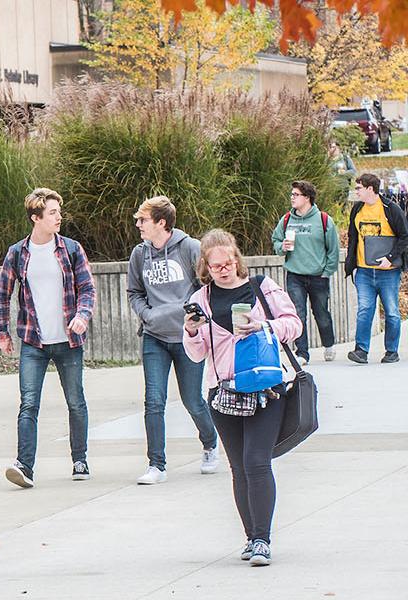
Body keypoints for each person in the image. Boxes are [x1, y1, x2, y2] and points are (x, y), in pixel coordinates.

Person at [182, 229, 302, 567]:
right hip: (223, 392)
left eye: (229, 261)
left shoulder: (262, 288)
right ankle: (251, 537)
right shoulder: (202, 299)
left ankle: (263, 539)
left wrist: (264, 327)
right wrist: (190, 330)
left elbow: (294, 324)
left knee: (257, 461)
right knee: (238, 467)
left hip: (266, 388)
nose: (225, 269)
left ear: (237, 257)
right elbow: (195, 354)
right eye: (217, 265)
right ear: (206, 266)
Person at [0, 188, 96, 489]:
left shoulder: (71, 249)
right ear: (35, 217)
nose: (58, 216)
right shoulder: (17, 253)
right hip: (33, 341)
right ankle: (25, 466)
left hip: (68, 341)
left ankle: (80, 458)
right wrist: (2, 332)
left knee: (76, 402)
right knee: (28, 404)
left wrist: (82, 315)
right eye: (52, 212)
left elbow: (87, 289)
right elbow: (2, 295)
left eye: (58, 211)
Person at [126, 195, 219, 485]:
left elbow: (209, 284)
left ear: (161, 222)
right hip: (154, 337)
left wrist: (195, 317)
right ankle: (157, 464)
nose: (138, 225)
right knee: (153, 400)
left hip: (186, 338)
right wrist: (148, 316)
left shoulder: (190, 248)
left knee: (192, 399)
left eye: (143, 220)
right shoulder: (139, 254)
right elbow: (134, 292)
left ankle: (210, 443)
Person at [270, 180, 342, 364]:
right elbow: (276, 240)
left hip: (318, 276)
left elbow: (333, 249)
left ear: (307, 198)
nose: (292, 198)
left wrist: (327, 271)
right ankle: (302, 353)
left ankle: (328, 344)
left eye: (296, 195)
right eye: (291, 194)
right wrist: (282, 247)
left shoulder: (323, 220)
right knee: (298, 314)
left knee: (321, 314)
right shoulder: (287, 219)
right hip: (295, 275)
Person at [344, 173, 408, 364]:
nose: (356, 192)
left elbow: (405, 236)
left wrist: (391, 258)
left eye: (359, 188)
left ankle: (391, 351)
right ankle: (361, 350)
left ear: (370, 189)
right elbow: (352, 236)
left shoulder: (390, 209)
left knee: (391, 311)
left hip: (388, 272)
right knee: (364, 309)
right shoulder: (357, 209)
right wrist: (351, 263)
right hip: (364, 270)